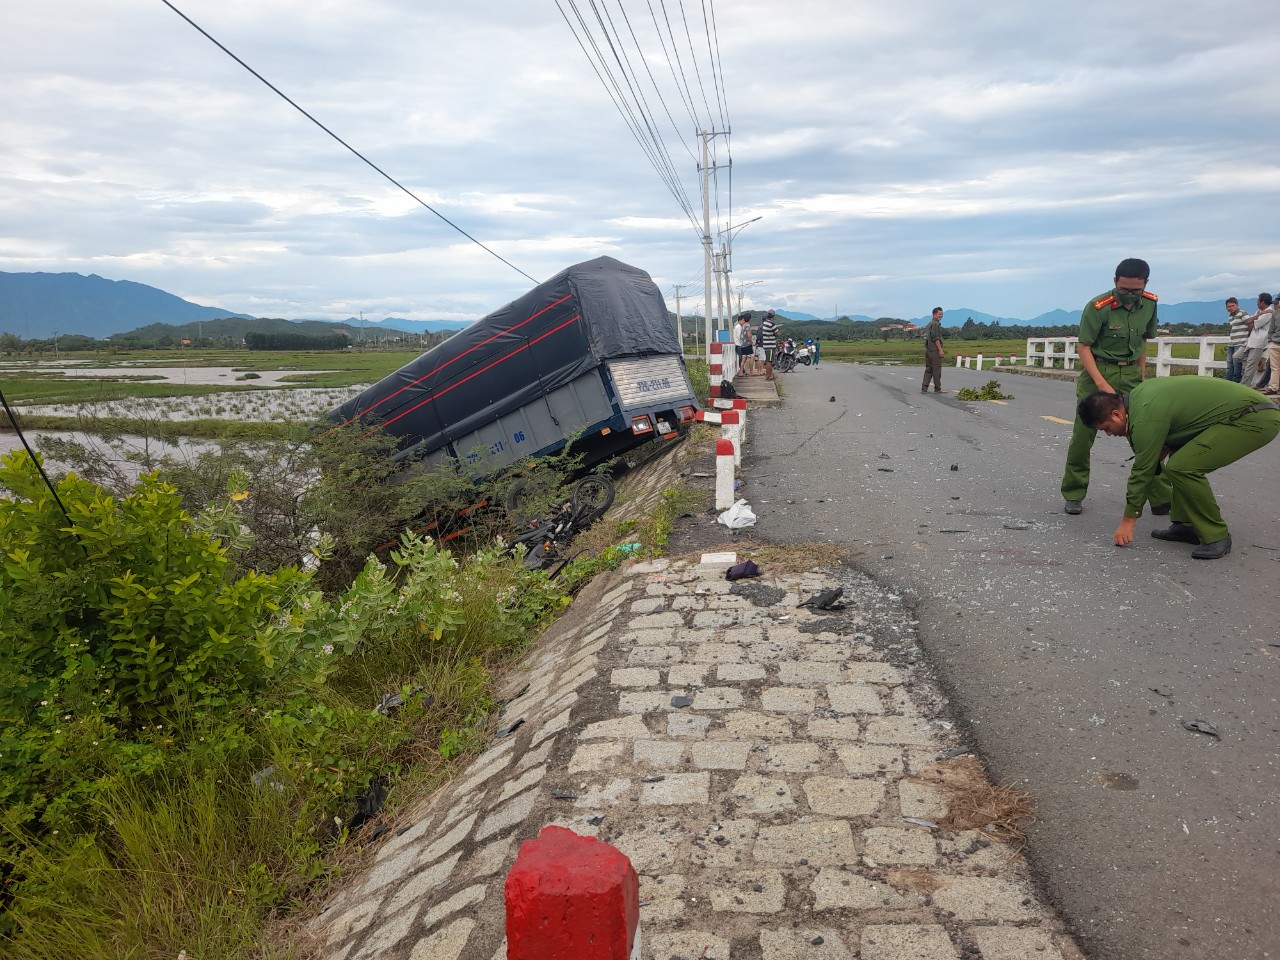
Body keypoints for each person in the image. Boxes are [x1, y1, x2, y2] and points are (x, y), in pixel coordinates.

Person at [1078, 377, 1280, 560]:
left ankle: (1216, 535)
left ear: (1116, 414)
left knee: (1182, 467)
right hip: (1241, 413)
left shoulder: (1146, 415)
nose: (1109, 434)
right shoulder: (1138, 399)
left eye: (1105, 428)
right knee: (1179, 459)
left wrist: (1128, 521)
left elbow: (1142, 471)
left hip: (1255, 417)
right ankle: (1186, 525)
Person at [1059, 258, 1170, 516]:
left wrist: (1141, 374)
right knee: (1083, 437)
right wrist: (1101, 384)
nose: (1130, 296)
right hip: (1098, 371)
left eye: (1136, 290)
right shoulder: (1098, 307)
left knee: (1144, 437)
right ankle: (1074, 493)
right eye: (1124, 290)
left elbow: (1144, 340)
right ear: (1115, 282)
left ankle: (1162, 497)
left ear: (1145, 284)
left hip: (1130, 373)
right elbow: (1084, 346)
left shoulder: (1150, 303)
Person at [1237, 293, 1273, 389]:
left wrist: (1254, 319)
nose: (1257, 303)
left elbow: (1251, 324)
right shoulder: (1260, 312)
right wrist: (1258, 315)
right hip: (1250, 341)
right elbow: (1248, 322)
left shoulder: (1269, 313)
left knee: (1250, 366)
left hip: (1258, 342)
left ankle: (1244, 385)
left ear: (1262, 302)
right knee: (1237, 356)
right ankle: (1258, 360)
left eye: (1258, 301)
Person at [1224, 297, 1251, 382]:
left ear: (1237, 305)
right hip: (1232, 342)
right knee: (1229, 363)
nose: (1231, 308)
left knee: (1236, 363)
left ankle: (1236, 380)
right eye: (1229, 306)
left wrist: (1248, 336)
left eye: (1232, 306)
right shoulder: (1231, 316)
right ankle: (1228, 380)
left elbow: (1250, 323)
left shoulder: (1242, 313)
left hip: (1240, 342)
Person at [921, 307, 945, 393]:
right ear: (934, 314)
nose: (941, 316)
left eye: (942, 314)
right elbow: (936, 339)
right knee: (936, 370)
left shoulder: (929, 324)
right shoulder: (935, 324)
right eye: (939, 314)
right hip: (934, 351)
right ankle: (937, 388)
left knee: (928, 370)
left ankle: (924, 388)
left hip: (928, 351)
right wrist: (940, 350)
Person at [1266, 295, 1280, 395]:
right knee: (1275, 367)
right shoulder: (1275, 314)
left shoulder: (1275, 314)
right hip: (1274, 343)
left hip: (1274, 343)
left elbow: (1271, 331)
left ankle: (1273, 387)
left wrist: (1270, 341)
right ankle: (1274, 387)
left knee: (1275, 368)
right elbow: (1271, 330)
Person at [760, 310, 779, 380]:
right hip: (771, 345)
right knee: (769, 361)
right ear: (773, 316)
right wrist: (775, 334)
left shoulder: (764, 323)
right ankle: (768, 376)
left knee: (768, 360)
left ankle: (769, 375)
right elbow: (777, 333)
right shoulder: (772, 324)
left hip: (765, 345)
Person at [734, 313, 753, 378]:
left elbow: (741, 336)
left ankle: (741, 372)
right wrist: (751, 341)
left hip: (741, 345)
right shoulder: (743, 326)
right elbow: (744, 336)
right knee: (751, 357)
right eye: (742, 320)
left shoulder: (742, 326)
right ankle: (750, 372)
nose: (743, 321)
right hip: (743, 344)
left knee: (743, 359)